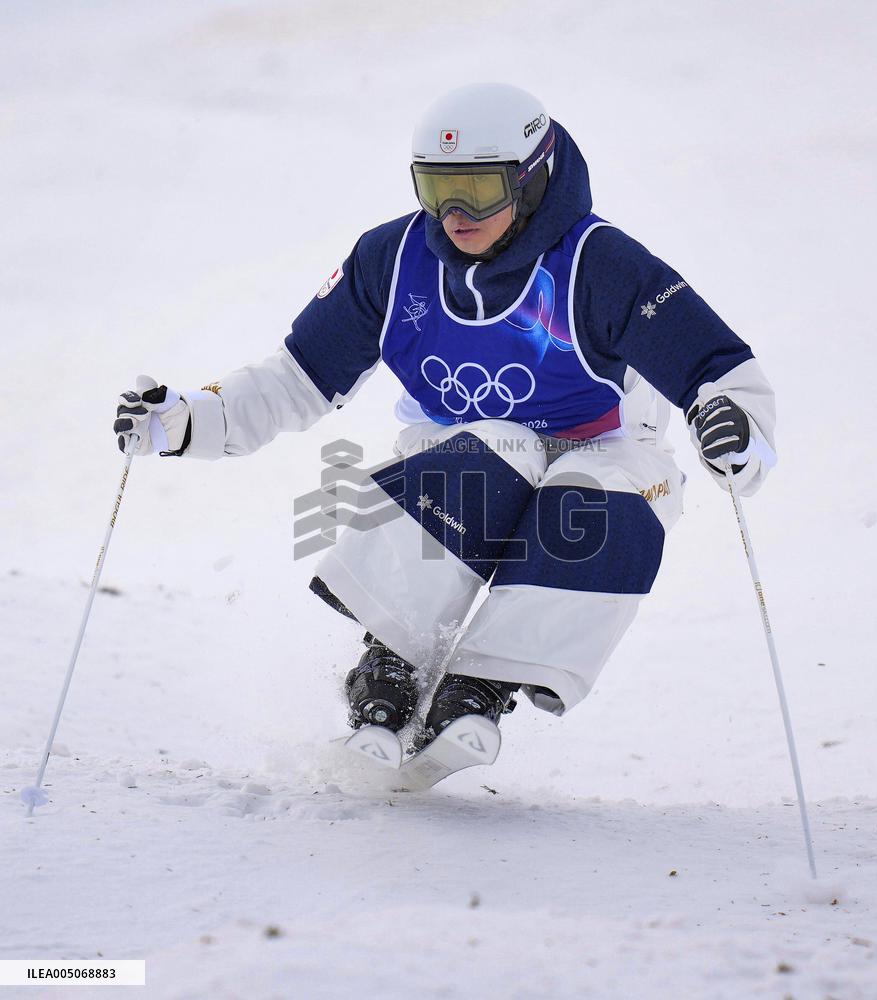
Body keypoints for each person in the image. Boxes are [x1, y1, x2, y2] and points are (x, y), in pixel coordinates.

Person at [114, 82, 776, 756]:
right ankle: (389, 665)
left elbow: (718, 373)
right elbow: (297, 376)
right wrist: (189, 420)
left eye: (478, 190)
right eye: (435, 190)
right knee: (496, 447)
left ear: (530, 177)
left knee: (597, 496)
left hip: (604, 452)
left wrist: (737, 432)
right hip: (464, 454)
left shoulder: (600, 265)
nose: (455, 214)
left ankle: (479, 688)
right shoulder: (395, 261)